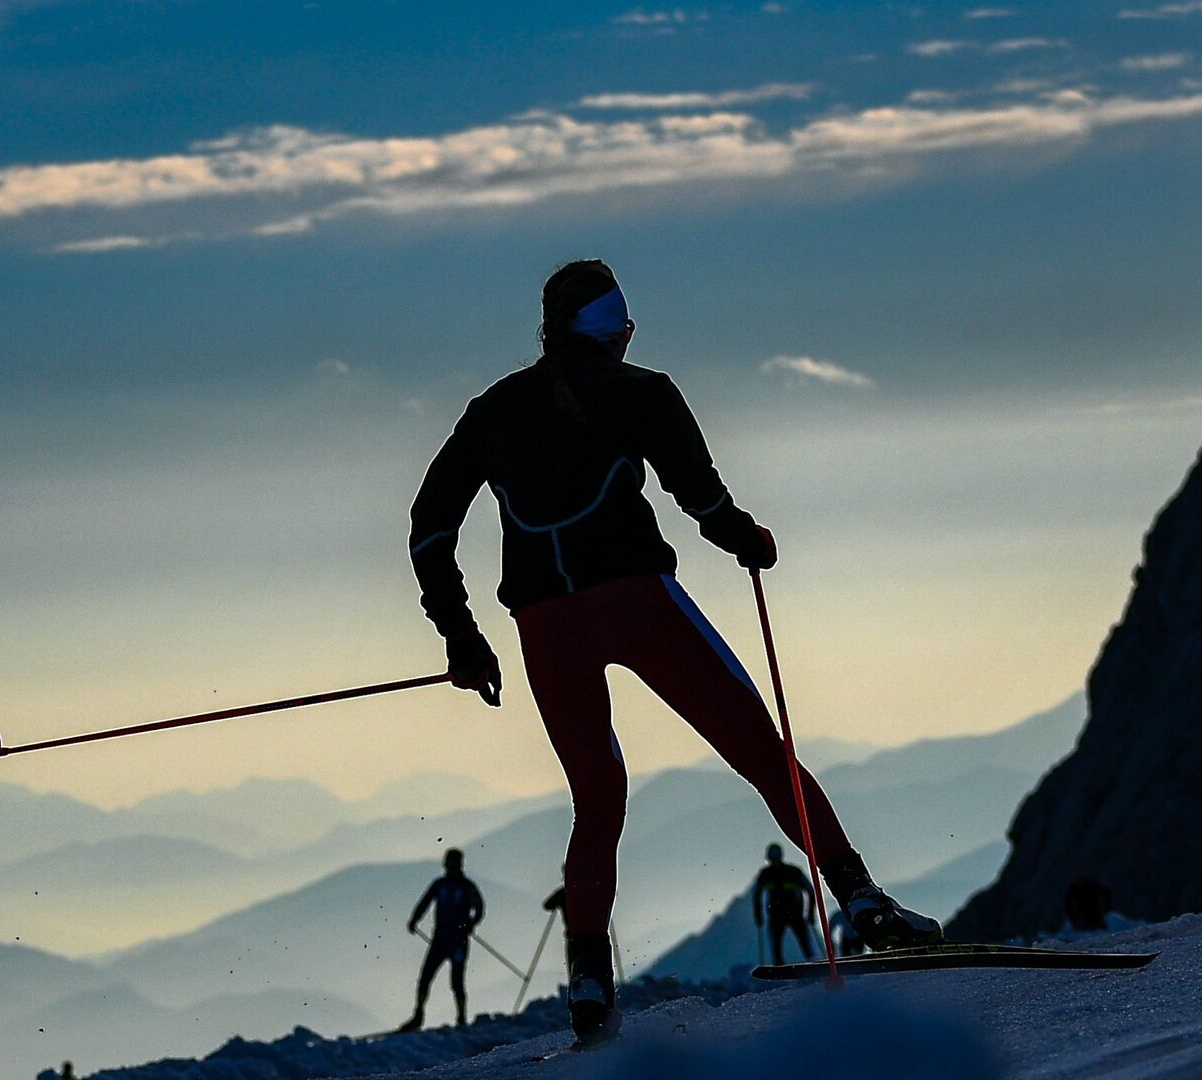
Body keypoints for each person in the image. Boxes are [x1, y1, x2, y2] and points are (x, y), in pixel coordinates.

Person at [407, 259, 944, 1045]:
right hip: (637, 603)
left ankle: (588, 979)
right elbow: (703, 499)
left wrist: (459, 632)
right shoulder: (644, 392)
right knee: (762, 753)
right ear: (616, 330)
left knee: (598, 798)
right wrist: (748, 540)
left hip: (544, 627)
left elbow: (429, 525)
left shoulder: (493, 411)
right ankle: (859, 896)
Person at [398, 848, 485, 1031]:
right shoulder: (446, 885)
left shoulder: (456, 885)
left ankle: (458, 1018)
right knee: (428, 977)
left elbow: (479, 908)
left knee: (454, 980)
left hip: (453, 938)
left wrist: (472, 922)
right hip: (444, 937)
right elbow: (425, 903)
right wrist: (415, 919)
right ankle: (420, 1015)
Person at [752, 843, 816, 966]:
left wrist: (811, 913)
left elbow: (756, 894)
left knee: (800, 941)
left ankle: (810, 961)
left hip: (789, 913)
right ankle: (807, 962)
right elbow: (810, 891)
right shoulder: (789, 872)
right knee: (782, 944)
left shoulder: (769, 874)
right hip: (782, 914)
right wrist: (810, 913)